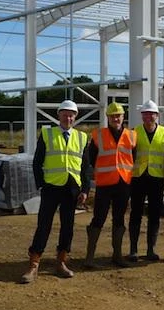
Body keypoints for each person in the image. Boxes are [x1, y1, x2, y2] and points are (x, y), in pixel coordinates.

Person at [20, 100, 90, 284]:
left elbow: (85, 167)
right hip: (51, 187)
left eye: (72, 115)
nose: (68, 118)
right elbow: (37, 162)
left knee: (68, 226)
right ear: (59, 115)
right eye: (65, 114)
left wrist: (85, 188)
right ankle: (34, 264)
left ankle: (61, 262)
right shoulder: (47, 134)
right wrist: (41, 184)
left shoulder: (82, 138)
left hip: (71, 187)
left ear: (75, 117)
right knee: (44, 225)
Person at [84, 102, 135, 268]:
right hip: (105, 184)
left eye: (118, 115)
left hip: (123, 182)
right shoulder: (98, 135)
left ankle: (117, 256)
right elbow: (91, 158)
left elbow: (132, 157)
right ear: (107, 118)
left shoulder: (132, 136)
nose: (116, 118)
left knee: (119, 219)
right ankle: (89, 258)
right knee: (99, 218)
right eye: (112, 116)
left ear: (123, 117)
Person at [128, 99, 164, 261]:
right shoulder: (134, 132)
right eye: (145, 114)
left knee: (154, 214)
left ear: (157, 115)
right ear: (142, 116)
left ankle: (150, 249)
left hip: (156, 178)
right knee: (136, 213)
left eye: (151, 114)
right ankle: (133, 249)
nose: (148, 117)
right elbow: (128, 155)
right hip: (138, 177)